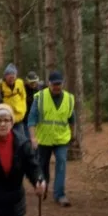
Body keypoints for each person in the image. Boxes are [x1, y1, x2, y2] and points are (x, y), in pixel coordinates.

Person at [27, 70, 75, 206]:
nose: (56, 87)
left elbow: (72, 120)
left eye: (58, 84)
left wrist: (72, 136)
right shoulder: (40, 97)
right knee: (42, 165)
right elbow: (31, 119)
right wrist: (33, 138)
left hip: (62, 139)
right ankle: (44, 186)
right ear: (49, 84)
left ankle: (60, 195)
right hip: (44, 139)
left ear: (62, 84)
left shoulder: (69, 98)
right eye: (54, 84)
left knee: (61, 162)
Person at [0, 64, 27, 129]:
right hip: (5, 119)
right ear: (5, 76)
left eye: (13, 77)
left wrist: (23, 110)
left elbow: (23, 97)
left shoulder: (20, 83)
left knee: (21, 135)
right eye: (10, 77)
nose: (12, 80)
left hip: (19, 117)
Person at [23, 71, 43, 136]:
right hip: (26, 119)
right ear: (27, 81)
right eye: (31, 82)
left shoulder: (40, 89)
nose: (33, 84)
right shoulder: (23, 89)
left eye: (35, 82)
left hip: (37, 119)